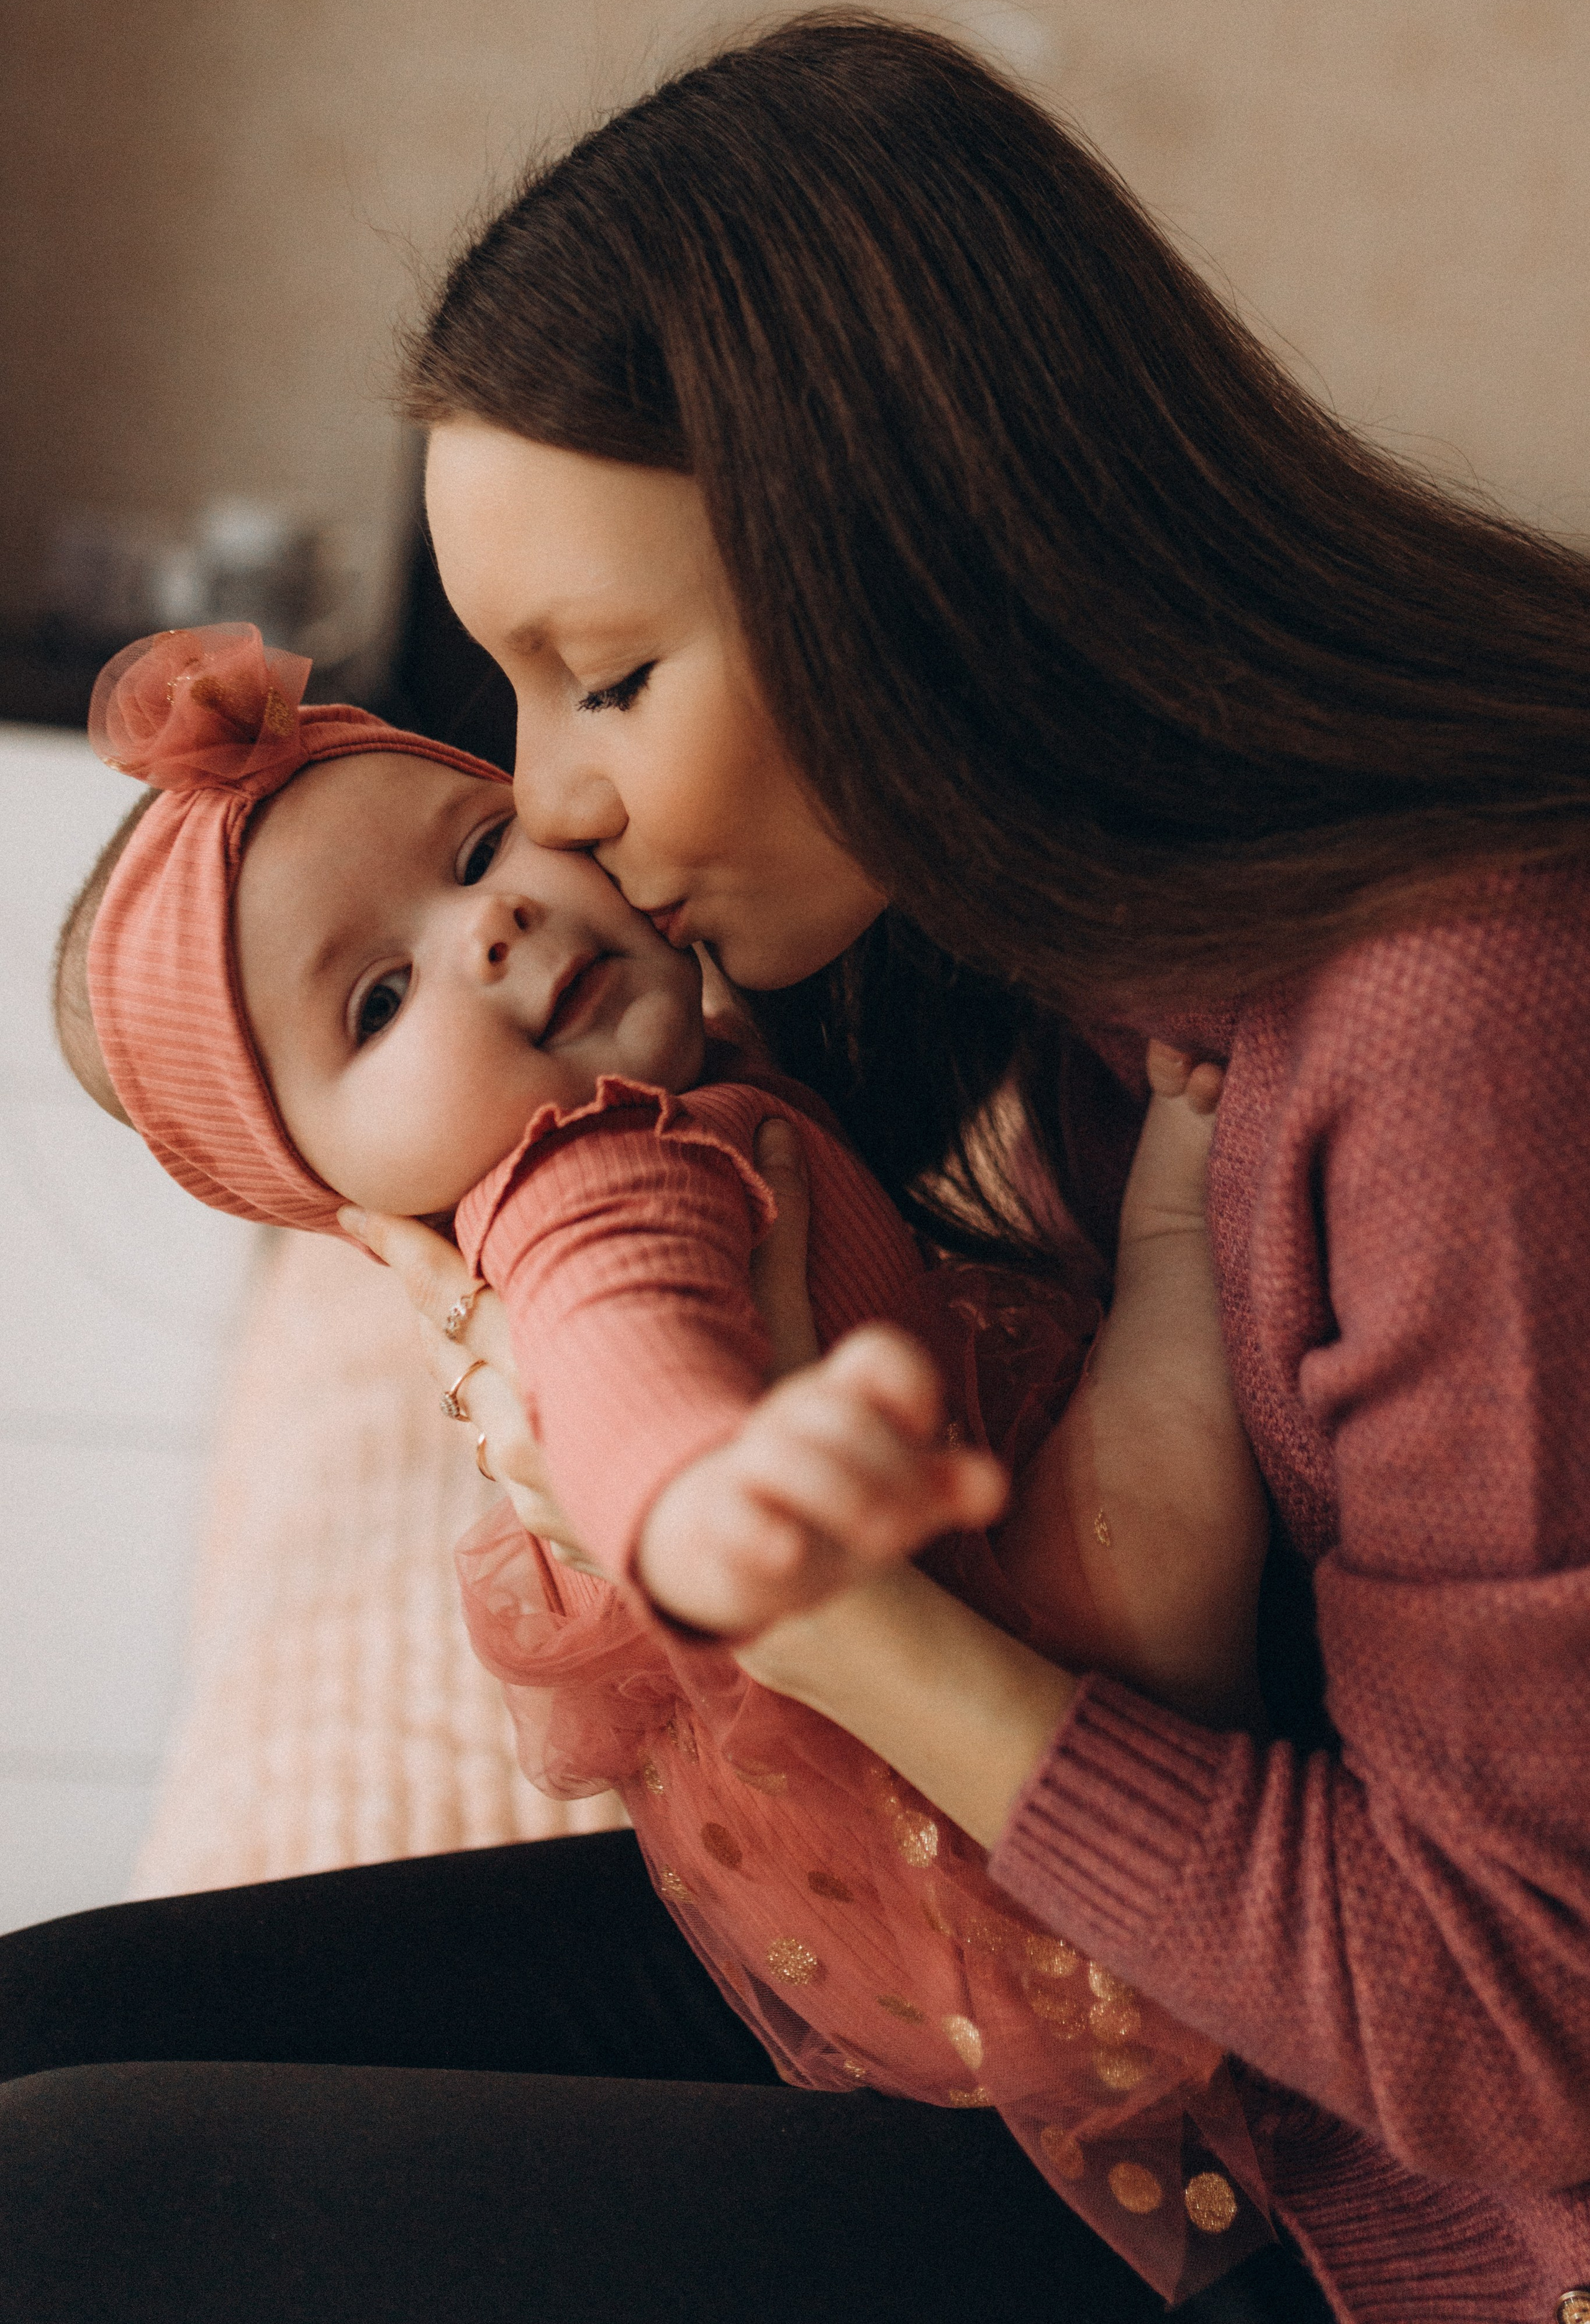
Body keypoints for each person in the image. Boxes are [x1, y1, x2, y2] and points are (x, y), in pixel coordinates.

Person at [5, 2, 1583, 2324]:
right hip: (1120, 1976)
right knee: (40, 2027)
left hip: (1384, 2196)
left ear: (923, 582)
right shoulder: (1049, 935)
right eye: (507, 697)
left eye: (607, 681)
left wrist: (829, 1621)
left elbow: (1521, 2040)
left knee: (65, 2204)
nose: (549, 808)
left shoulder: (1460, 1021)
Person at [53, 614, 1271, 2303]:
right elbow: (630, 1386)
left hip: (933, 1656)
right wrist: (716, 1511)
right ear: (339, 1201)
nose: (486, 928)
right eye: (380, 998)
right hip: (1024, 1714)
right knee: (1156, 1531)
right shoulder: (588, 1180)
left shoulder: (687, 1064)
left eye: (479, 844)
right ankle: (1175, 1234)